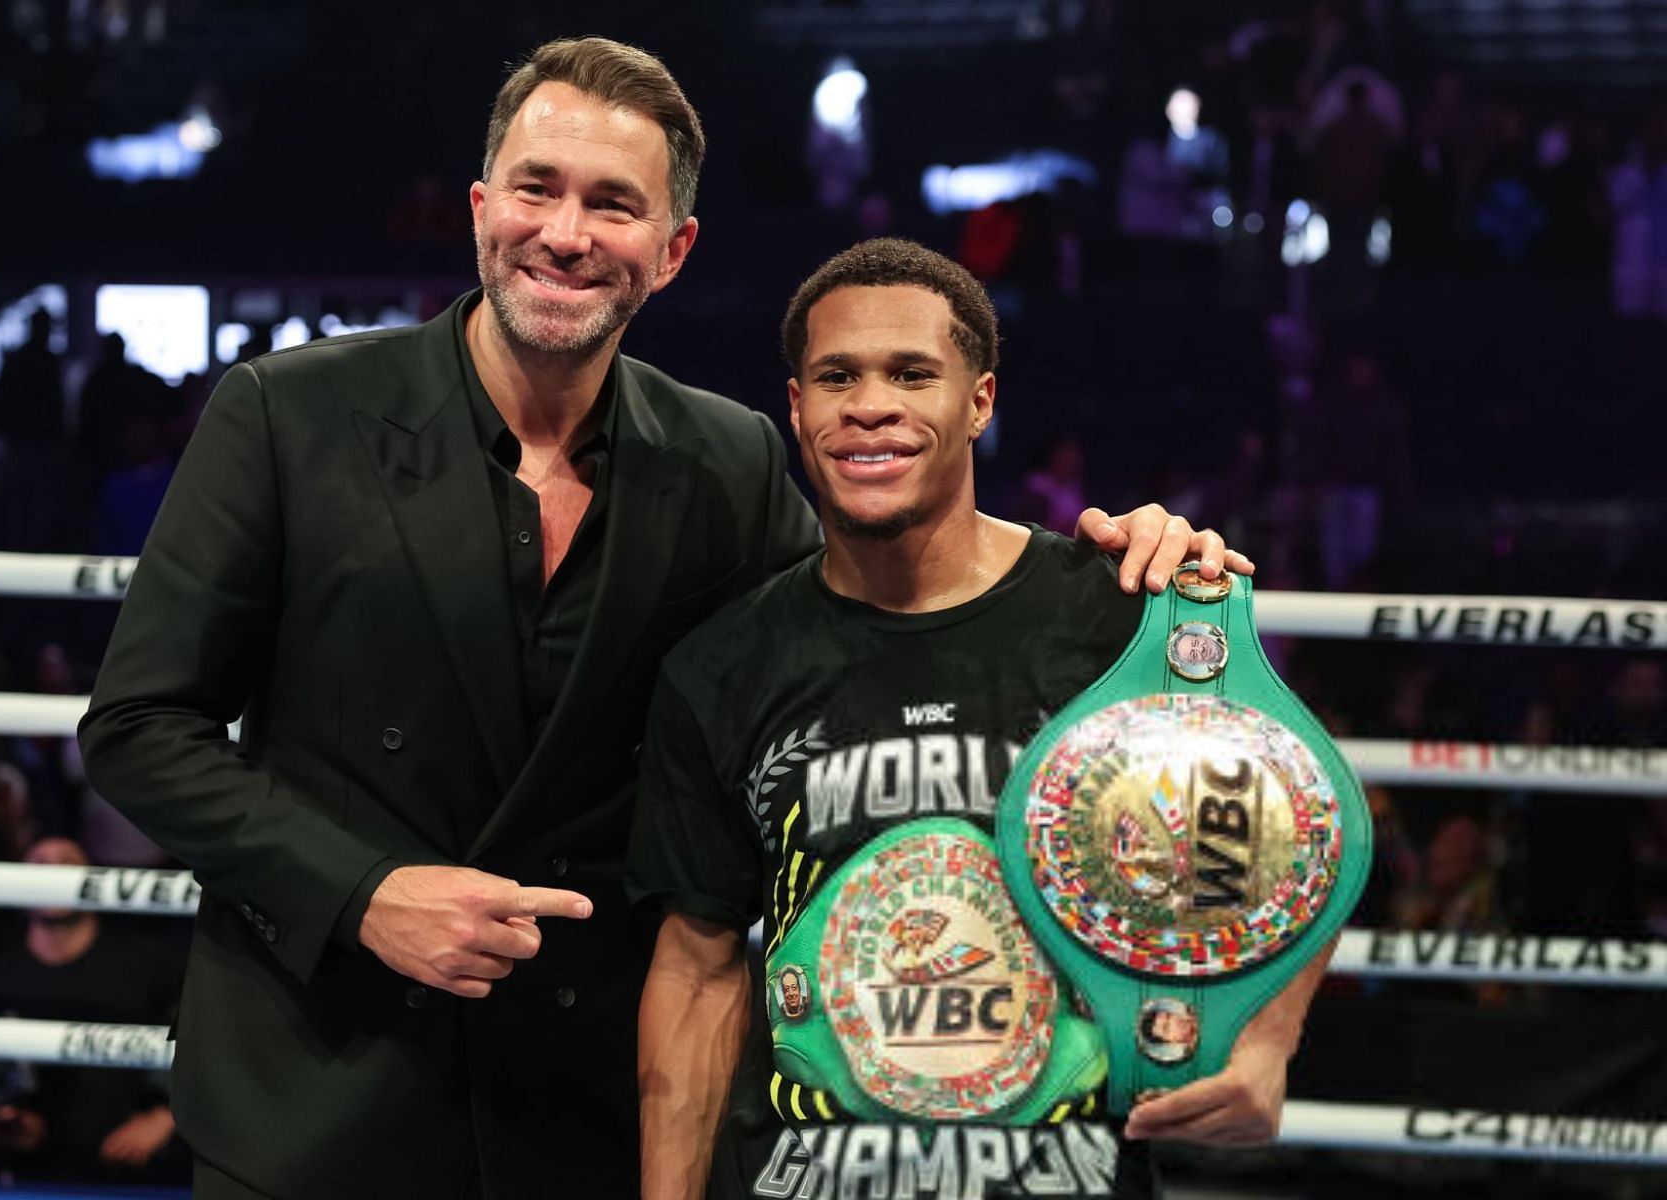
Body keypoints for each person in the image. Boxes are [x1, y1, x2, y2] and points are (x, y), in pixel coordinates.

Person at [79, 39, 1246, 1200]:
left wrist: (1117, 567)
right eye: (537, 188)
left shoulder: (728, 457)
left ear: (672, 250)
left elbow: (874, 639)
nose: (568, 233)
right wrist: (360, 894)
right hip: (318, 1095)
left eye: (614, 205)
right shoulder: (290, 416)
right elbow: (139, 724)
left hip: (587, 1111)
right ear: (482, 207)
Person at [630, 239, 1323, 1200]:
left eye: (913, 373)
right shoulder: (723, 665)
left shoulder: (1111, 614)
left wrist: (1266, 1042)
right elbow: (698, 973)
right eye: (838, 376)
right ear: (797, 408)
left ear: (981, 403)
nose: (871, 403)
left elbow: (1307, 822)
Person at [0, 838, 187, 1184]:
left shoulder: (149, 963)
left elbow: (202, 1043)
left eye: (67, 863)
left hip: (130, 1165)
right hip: (24, 1169)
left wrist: (164, 1118)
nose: (54, 874)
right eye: (41, 865)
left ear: (93, 878)